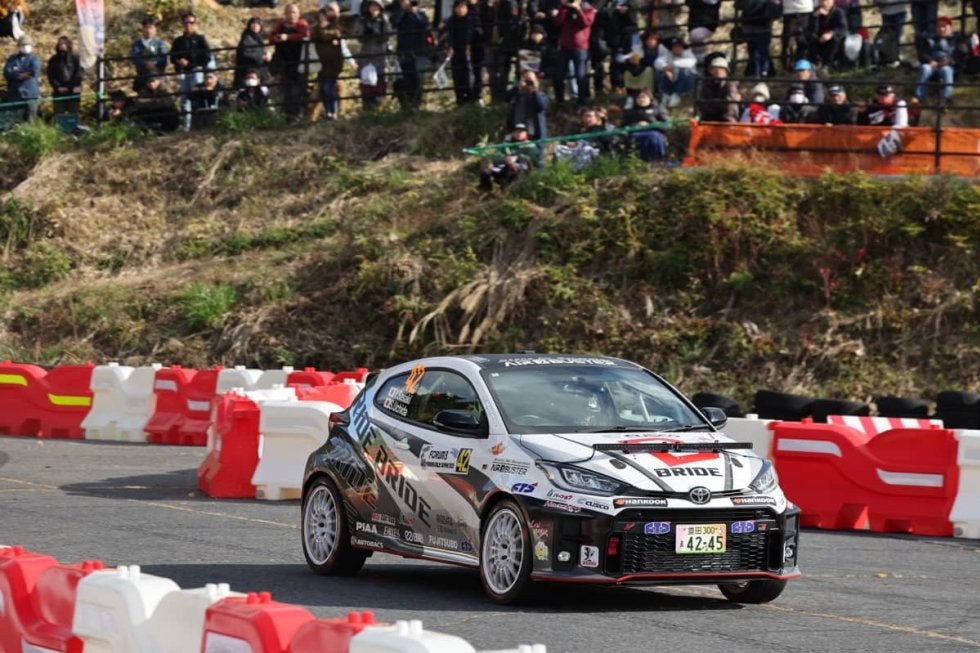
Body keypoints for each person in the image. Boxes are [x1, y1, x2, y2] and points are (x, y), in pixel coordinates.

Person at [311, 3, 357, 120]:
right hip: (322, 63)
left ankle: (334, 112)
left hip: (333, 64)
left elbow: (342, 46)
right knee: (324, 88)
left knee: (329, 88)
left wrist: (351, 62)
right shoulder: (316, 29)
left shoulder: (336, 28)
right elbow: (313, 37)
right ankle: (329, 112)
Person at [170, 12, 214, 131]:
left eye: (191, 22)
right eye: (186, 23)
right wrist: (179, 61)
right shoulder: (178, 41)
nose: (188, 25)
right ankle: (186, 127)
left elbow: (207, 57)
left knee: (197, 97)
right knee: (184, 100)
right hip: (183, 73)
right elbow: (172, 57)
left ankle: (198, 125)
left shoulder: (200, 39)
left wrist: (191, 63)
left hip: (196, 71)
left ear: (195, 24)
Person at [268, 3, 311, 120]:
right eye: (289, 12)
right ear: (285, 14)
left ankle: (297, 114)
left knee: (298, 90)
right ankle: (288, 115)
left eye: (294, 12)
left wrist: (288, 37)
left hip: (298, 62)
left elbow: (305, 35)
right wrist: (277, 38)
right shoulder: (281, 25)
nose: (292, 15)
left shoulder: (302, 24)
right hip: (284, 63)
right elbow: (271, 38)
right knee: (286, 89)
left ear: (298, 14)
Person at [552, 0, 596, 105]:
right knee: (558, 75)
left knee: (580, 75)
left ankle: (582, 102)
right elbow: (557, 22)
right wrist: (564, 8)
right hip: (565, 46)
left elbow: (586, 23)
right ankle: (560, 101)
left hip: (580, 47)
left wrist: (578, 9)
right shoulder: (565, 8)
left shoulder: (587, 8)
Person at [389, 0, 430, 109]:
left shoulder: (420, 14)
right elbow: (394, 22)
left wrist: (414, 12)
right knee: (404, 80)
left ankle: (416, 105)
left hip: (419, 52)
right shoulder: (398, 14)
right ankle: (406, 105)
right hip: (404, 52)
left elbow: (424, 24)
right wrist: (403, 11)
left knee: (418, 79)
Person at [914, 16, 961, 105]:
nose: (941, 29)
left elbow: (960, 54)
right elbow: (922, 53)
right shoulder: (929, 39)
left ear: (950, 28)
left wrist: (949, 61)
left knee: (946, 70)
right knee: (924, 68)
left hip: (948, 65)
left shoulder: (957, 39)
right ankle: (919, 98)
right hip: (932, 65)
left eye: (944, 26)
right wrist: (930, 61)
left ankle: (946, 99)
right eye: (939, 26)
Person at [478, 123, 538, 190]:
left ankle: (506, 191)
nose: (519, 133)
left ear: (526, 133)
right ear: (513, 133)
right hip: (503, 168)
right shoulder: (506, 144)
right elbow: (496, 155)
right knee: (485, 172)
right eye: (516, 131)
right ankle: (485, 193)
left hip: (520, 170)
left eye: (521, 131)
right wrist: (505, 159)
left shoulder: (530, 145)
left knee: (509, 171)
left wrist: (517, 158)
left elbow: (534, 159)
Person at [356, 0, 391, 110]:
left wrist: (377, 31)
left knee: (379, 82)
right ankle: (366, 107)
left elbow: (386, 37)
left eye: (376, 6)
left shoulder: (384, 20)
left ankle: (378, 107)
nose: (374, 8)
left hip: (379, 55)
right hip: (366, 55)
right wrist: (366, 32)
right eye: (372, 6)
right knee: (366, 82)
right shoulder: (363, 20)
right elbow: (359, 38)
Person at [621, 87, 669, 161]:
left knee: (653, 137)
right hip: (636, 134)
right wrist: (636, 125)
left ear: (650, 98)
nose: (641, 100)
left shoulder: (658, 109)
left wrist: (651, 124)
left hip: (655, 133)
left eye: (644, 97)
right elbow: (623, 127)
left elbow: (667, 125)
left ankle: (658, 160)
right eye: (639, 98)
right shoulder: (630, 112)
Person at [735, 0, 779, 77]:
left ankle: (759, 73)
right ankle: (762, 72)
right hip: (762, 25)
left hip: (751, 25)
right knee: (760, 51)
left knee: (754, 51)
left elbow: (738, 5)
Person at [445, 0, 477, 105]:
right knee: (457, 75)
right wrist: (450, 47)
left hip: (469, 51)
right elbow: (450, 35)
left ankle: (469, 98)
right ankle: (460, 99)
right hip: (456, 50)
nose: (460, 10)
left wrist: (468, 45)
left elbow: (470, 33)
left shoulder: (471, 19)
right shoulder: (452, 20)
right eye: (458, 7)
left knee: (467, 75)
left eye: (462, 7)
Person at [3, 34, 41, 123]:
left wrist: (18, 72)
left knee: (30, 120)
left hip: (30, 95)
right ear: (19, 47)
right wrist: (18, 75)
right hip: (14, 94)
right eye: (23, 45)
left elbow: (34, 71)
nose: (25, 47)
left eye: (27, 45)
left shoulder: (34, 59)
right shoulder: (12, 59)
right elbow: (7, 72)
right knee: (13, 120)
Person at [506, 68, 549, 140]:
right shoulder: (516, 95)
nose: (528, 84)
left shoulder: (541, 96)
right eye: (525, 80)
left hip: (534, 137)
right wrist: (518, 87)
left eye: (529, 81)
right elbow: (506, 98)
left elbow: (541, 106)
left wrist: (534, 89)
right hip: (516, 135)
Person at [654, 36, 696, 107]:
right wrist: (665, 68)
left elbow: (691, 62)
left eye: (679, 46)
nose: (677, 48)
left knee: (685, 71)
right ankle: (665, 94)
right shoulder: (668, 55)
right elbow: (657, 62)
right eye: (675, 47)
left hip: (686, 83)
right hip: (672, 80)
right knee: (660, 72)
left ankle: (677, 95)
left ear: (683, 47)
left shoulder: (688, 53)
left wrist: (673, 65)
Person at [695, 55, 740, 122]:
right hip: (708, 118)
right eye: (715, 69)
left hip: (727, 119)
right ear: (711, 71)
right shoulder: (707, 84)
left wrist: (712, 103)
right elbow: (703, 104)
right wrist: (717, 104)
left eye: (721, 69)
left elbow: (729, 102)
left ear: (726, 71)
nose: (718, 71)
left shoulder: (731, 83)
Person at [130, 16, 168, 93]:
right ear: (142, 29)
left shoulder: (159, 43)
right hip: (142, 77)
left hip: (158, 77)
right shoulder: (137, 44)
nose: (148, 30)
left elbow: (163, 58)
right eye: (146, 28)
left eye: (151, 28)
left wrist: (154, 63)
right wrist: (145, 63)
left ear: (155, 29)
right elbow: (135, 58)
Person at [804, 0, 847, 68]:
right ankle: (814, 63)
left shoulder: (838, 12)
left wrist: (831, 34)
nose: (824, 3)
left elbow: (842, 28)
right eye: (821, 1)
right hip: (819, 39)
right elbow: (812, 30)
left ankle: (827, 65)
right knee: (809, 38)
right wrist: (816, 17)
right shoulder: (815, 12)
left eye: (826, 1)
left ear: (832, 1)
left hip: (832, 39)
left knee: (835, 40)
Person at [46, 35, 82, 116]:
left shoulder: (76, 58)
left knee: (73, 115)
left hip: (73, 91)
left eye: (64, 44)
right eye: (60, 44)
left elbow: (79, 74)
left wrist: (69, 87)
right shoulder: (53, 60)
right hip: (58, 92)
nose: (62, 46)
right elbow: (51, 75)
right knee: (59, 115)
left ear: (68, 45)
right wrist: (58, 87)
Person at [234, 17, 271, 89]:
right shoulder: (246, 38)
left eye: (258, 24)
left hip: (259, 73)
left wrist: (267, 56)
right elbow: (245, 54)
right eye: (253, 23)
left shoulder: (259, 39)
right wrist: (261, 57)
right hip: (248, 73)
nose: (255, 26)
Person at [781, 0, 814, 71]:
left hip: (807, 10)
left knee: (805, 40)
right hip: (789, 11)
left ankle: (804, 66)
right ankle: (787, 68)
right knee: (787, 42)